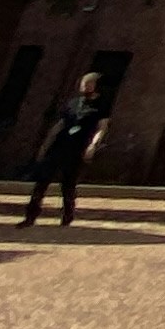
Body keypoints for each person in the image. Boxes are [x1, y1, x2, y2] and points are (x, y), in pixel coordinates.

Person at [18, 71, 108, 229]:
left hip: (77, 148)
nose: (84, 86)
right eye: (83, 83)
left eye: (88, 83)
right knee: (42, 181)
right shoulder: (73, 103)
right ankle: (30, 216)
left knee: (68, 184)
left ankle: (67, 216)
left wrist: (93, 145)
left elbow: (102, 127)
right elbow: (59, 125)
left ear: (95, 86)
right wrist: (45, 145)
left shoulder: (101, 106)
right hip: (59, 146)